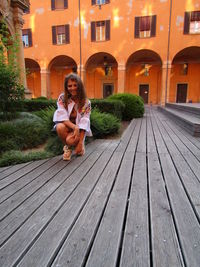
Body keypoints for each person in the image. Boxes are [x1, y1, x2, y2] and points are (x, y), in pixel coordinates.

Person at [53, 73, 92, 161]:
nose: (73, 88)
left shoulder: (86, 102)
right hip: (69, 127)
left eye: (75, 85)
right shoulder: (62, 98)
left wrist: (80, 142)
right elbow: (62, 117)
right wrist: (74, 127)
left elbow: (85, 121)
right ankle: (69, 148)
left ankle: (79, 145)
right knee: (59, 127)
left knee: (79, 151)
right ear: (66, 87)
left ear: (80, 86)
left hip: (80, 130)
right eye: (69, 86)